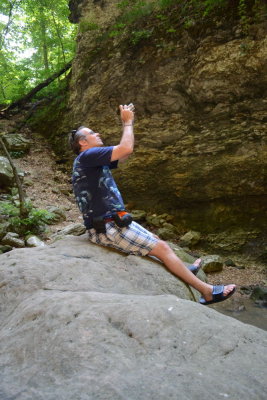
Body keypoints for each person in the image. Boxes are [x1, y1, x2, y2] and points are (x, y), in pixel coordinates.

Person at [69, 104, 236, 305]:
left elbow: (124, 155)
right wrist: (127, 122)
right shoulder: (87, 156)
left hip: (113, 222)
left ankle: (182, 268)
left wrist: (128, 129)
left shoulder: (91, 160)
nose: (98, 133)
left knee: (156, 239)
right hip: (108, 227)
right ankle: (207, 292)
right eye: (92, 133)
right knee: (163, 248)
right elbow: (126, 148)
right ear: (83, 142)